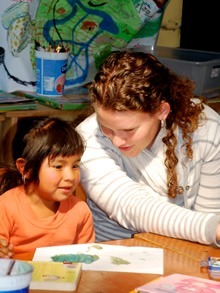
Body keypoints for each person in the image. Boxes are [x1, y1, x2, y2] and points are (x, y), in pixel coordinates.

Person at [76, 50, 220, 246]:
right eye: (107, 128)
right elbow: (132, 207)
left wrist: (213, 229)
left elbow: (211, 215)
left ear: (162, 111)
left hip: (187, 252)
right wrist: (212, 228)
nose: (117, 141)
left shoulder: (206, 127)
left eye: (129, 129)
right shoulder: (86, 138)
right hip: (115, 251)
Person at [0, 117, 95, 258]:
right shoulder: (6, 207)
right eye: (58, 166)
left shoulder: (80, 211)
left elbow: (87, 261)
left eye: (75, 165)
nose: (70, 176)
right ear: (26, 168)